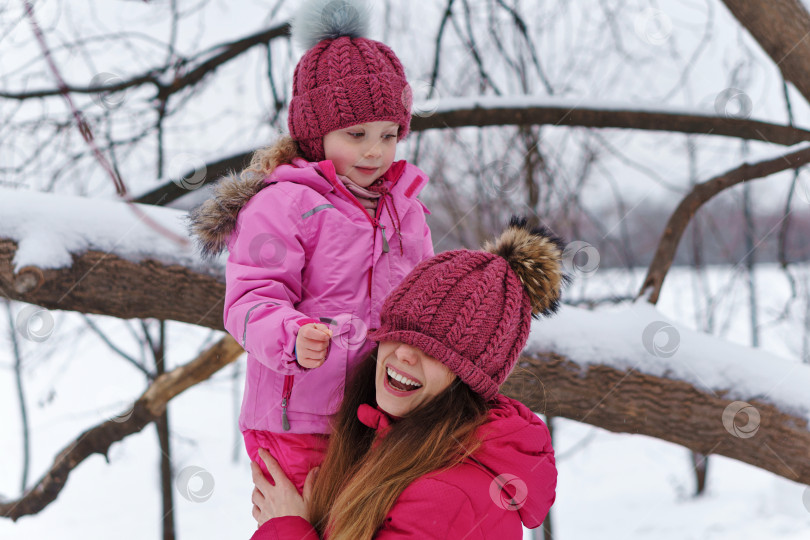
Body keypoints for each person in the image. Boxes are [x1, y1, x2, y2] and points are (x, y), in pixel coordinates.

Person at [189, 0, 433, 492]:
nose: (374, 151)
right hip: (297, 421)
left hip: (378, 416)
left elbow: (419, 304)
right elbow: (250, 301)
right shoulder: (283, 204)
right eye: (357, 134)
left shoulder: (406, 210)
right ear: (315, 133)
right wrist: (292, 337)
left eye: (389, 135)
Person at [249, 217, 568, 539]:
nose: (404, 353)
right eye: (399, 332)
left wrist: (287, 526)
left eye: (435, 351)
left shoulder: (450, 498)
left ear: (469, 380)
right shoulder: (385, 440)